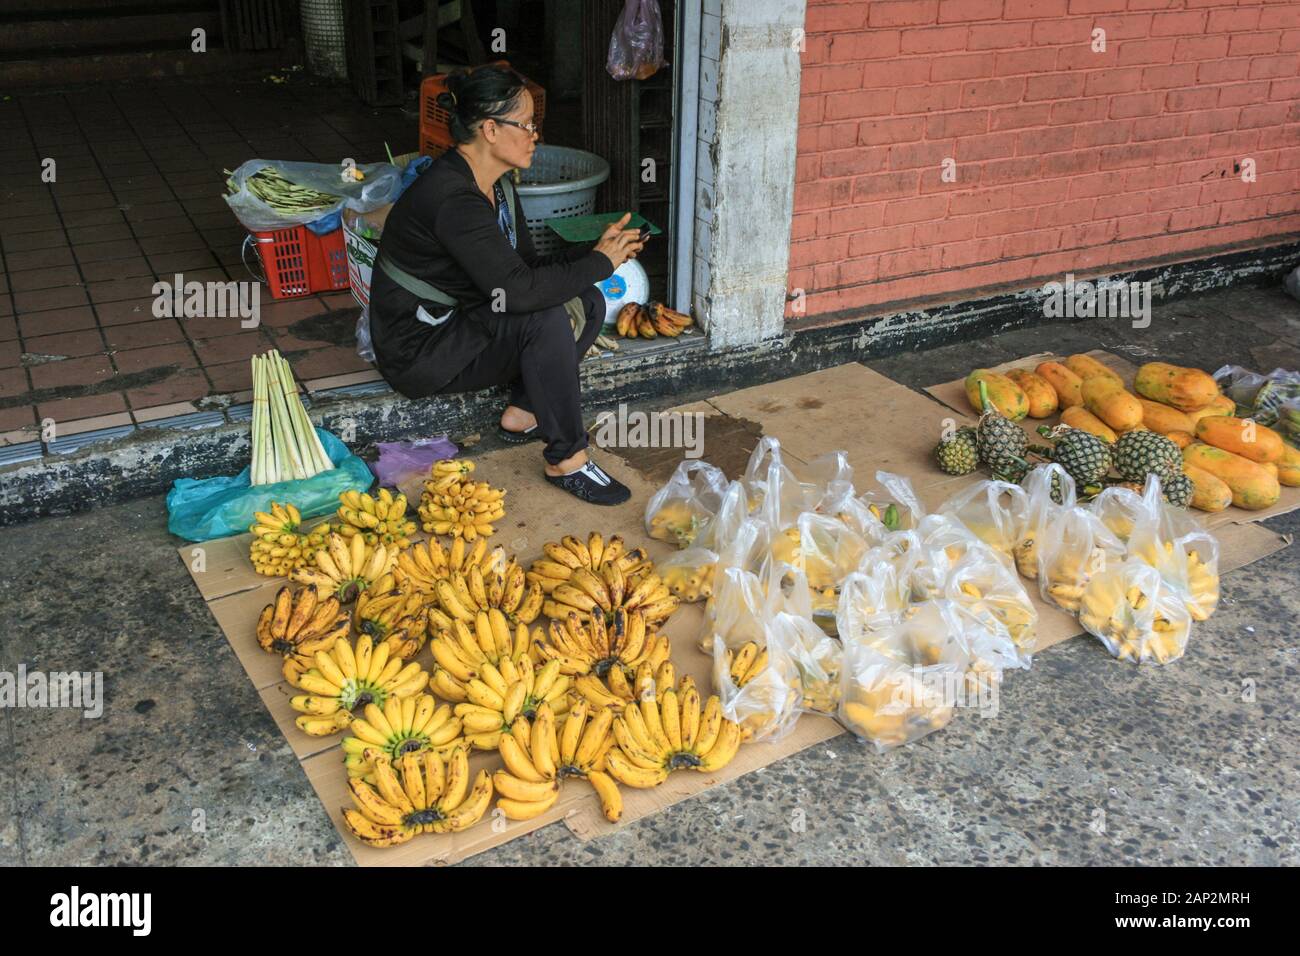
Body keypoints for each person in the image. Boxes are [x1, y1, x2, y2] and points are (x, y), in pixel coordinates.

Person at [368, 64, 645, 505]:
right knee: (544, 317)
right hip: (421, 350)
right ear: (491, 129)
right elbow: (520, 293)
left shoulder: (496, 187)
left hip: (463, 323)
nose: (535, 134)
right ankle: (567, 458)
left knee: (588, 300)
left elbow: (527, 269)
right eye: (527, 125)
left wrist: (596, 253)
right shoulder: (452, 198)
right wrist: (598, 262)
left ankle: (523, 412)